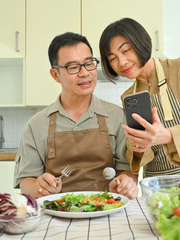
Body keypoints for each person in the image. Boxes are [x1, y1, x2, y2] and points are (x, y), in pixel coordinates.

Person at [14, 32, 138, 199]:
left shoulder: (117, 117)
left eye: (89, 63)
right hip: (56, 214)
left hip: (107, 209)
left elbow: (128, 171)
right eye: (73, 67)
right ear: (55, 75)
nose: (85, 73)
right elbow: (26, 182)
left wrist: (125, 182)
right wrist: (38, 187)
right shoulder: (36, 124)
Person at [99, 18, 180, 178]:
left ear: (140, 42)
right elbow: (140, 154)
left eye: (126, 51)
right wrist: (138, 148)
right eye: (113, 58)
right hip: (158, 183)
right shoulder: (129, 97)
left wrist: (167, 135)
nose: (122, 62)